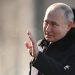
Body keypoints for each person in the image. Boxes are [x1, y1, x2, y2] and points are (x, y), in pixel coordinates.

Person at [25, 3, 75, 75]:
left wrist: (39, 57)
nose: (47, 29)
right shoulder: (41, 45)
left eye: (54, 24)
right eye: (46, 22)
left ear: (68, 26)